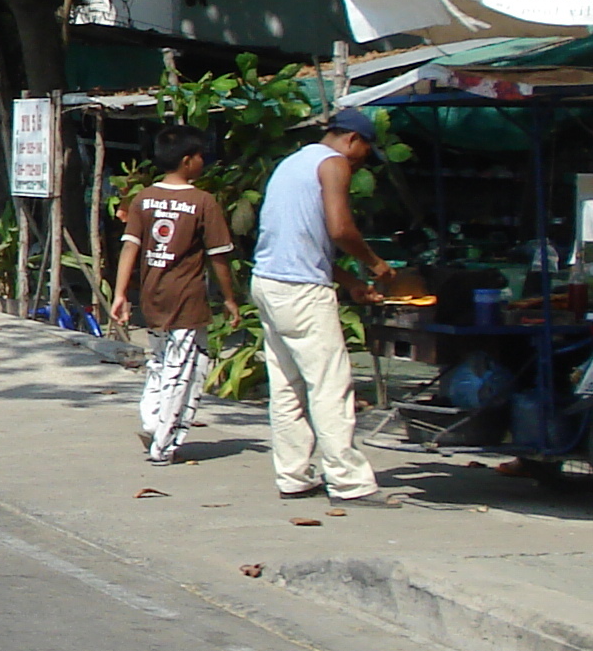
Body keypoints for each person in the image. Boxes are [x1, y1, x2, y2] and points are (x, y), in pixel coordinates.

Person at [250, 107, 397, 502]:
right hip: (301, 292)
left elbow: (305, 243)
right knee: (330, 385)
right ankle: (348, 480)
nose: (362, 159)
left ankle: (293, 474)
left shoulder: (293, 162)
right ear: (353, 139)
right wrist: (375, 264)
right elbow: (340, 229)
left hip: (268, 282)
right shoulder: (334, 164)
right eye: (365, 150)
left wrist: (350, 283)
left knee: (286, 386)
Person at [108, 125, 241, 467]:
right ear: (187, 161)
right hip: (187, 300)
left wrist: (120, 293)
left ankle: (152, 421)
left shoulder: (143, 199)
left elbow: (130, 247)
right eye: (200, 156)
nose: (203, 161)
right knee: (185, 370)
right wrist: (229, 297)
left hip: (153, 297)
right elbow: (218, 256)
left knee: (161, 362)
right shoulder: (202, 202)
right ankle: (164, 443)